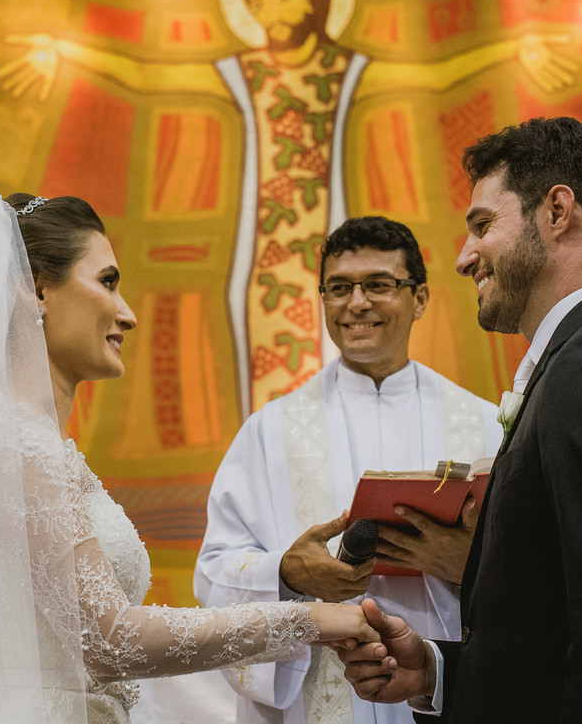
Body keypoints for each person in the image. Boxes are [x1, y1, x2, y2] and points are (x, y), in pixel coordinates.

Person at [0, 185, 379, 724]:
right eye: (107, 282)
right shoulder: (11, 443)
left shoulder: (17, 440)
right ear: (37, 290)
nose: (128, 313)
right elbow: (109, 638)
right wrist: (311, 623)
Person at [0, 0, 582, 417]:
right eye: (254, 4)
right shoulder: (244, 71)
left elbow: (439, 74)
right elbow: (148, 78)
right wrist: (68, 53)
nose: (263, 13)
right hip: (265, 255)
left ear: (309, 3)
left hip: (320, 213)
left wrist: (513, 45)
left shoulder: (346, 68)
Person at [334, 117, 582, 722]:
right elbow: (561, 630)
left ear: (556, 212)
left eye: (482, 225)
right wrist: (438, 672)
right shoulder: (579, 365)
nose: (464, 256)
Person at [194, 216, 505, 724]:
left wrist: (470, 565)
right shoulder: (269, 431)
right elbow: (214, 573)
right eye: (339, 288)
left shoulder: (483, 425)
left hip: (445, 693)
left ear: (420, 298)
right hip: (315, 697)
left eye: (379, 285)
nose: (356, 303)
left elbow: (539, 569)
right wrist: (287, 575)